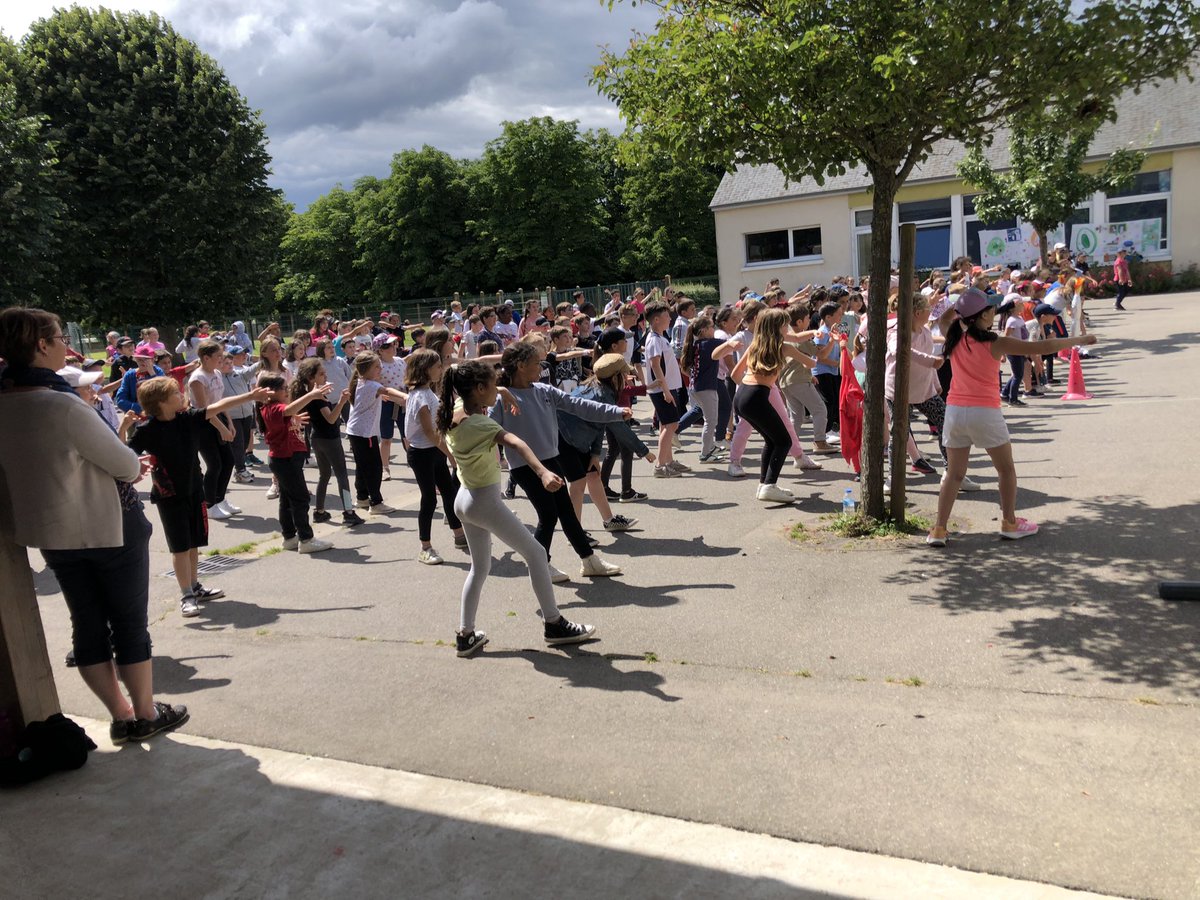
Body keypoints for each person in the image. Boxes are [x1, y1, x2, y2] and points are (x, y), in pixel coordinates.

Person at [0, 308, 188, 744]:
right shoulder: (61, 403)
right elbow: (125, 465)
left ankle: (120, 715)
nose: (66, 348)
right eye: (60, 339)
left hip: (52, 533)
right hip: (108, 527)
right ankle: (144, 714)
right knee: (128, 624)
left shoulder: (7, 401)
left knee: (86, 625)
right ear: (41, 345)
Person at [438, 360, 598, 657]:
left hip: (464, 500)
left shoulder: (455, 411)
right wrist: (543, 471)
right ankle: (554, 624)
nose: (498, 390)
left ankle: (465, 635)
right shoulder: (482, 425)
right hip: (484, 502)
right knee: (536, 554)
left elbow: (477, 385)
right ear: (479, 389)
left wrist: (501, 391)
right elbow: (517, 443)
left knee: (479, 568)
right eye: (493, 385)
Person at [926, 289, 1098, 547]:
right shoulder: (996, 342)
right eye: (990, 308)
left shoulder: (954, 337)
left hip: (955, 413)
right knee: (1006, 470)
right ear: (984, 315)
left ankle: (939, 529)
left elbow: (944, 317)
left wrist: (960, 303)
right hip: (985, 413)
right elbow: (1042, 347)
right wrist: (1080, 339)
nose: (995, 311)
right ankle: (1009, 523)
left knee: (954, 474)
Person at [129, 376, 270, 616]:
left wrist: (250, 396)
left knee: (193, 543)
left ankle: (195, 587)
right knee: (180, 547)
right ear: (161, 402)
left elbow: (218, 406)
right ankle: (186, 594)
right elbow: (125, 455)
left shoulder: (188, 418)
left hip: (195, 490)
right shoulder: (146, 430)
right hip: (169, 496)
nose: (181, 395)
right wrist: (124, 429)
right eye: (175, 393)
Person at [490, 342, 625, 582]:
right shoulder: (502, 398)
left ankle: (589, 560)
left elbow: (579, 405)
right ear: (520, 366)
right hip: (525, 467)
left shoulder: (544, 390)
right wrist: (497, 390)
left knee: (566, 513)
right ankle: (540, 565)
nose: (541, 367)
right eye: (536, 363)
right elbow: (486, 428)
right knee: (549, 514)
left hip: (551, 461)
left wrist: (614, 412)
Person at [728, 308, 817, 502]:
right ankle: (769, 486)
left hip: (742, 395)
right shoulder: (784, 347)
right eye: (785, 325)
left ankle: (765, 485)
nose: (787, 328)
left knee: (772, 440)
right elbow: (811, 364)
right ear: (778, 328)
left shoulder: (755, 345)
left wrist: (752, 387)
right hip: (756, 396)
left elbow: (735, 374)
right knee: (784, 441)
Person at [557, 353, 647, 533]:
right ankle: (575, 532)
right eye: (624, 374)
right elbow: (619, 428)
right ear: (615, 378)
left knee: (593, 476)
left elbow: (599, 424)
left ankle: (609, 520)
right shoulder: (602, 394)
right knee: (578, 483)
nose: (627, 377)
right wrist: (644, 451)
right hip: (564, 438)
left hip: (578, 439)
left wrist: (595, 454)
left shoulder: (596, 387)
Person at [403, 349, 468, 564]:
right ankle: (425, 547)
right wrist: (450, 455)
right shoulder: (420, 397)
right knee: (429, 499)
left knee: (449, 493)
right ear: (425, 369)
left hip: (434, 451)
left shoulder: (426, 392)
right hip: (422, 454)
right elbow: (430, 432)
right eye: (438, 366)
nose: (441, 369)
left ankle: (459, 535)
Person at [257, 373, 334, 554]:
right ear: (271, 392)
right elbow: (287, 410)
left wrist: (294, 419)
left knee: (287, 499)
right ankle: (306, 539)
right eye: (284, 388)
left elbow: (288, 413)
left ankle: (290, 537)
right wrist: (312, 395)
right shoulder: (272, 408)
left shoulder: (277, 408)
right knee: (301, 499)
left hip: (286, 459)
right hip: (285, 460)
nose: (287, 391)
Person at [290, 358, 362, 527]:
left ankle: (319, 511)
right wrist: (342, 401)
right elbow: (331, 419)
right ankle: (348, 512)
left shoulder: (308, 395)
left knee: (324, 475)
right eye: (321, 374)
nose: (325, 376)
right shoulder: (318, 398)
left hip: (316, 438)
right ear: (311, 378)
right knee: (342, 475)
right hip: (330, 439)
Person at [345, 351, 409, 515]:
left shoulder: (361, 382)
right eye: (377, 367)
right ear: (366, 369)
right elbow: (388, 390)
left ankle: (362, 497)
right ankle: (376, 502)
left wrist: (381, 397)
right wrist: (406, 396)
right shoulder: (372, 385)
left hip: (357, 431)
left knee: (362, 466)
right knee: (374, 467)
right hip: (365, 433)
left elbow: (380, 394)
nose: (380, 369)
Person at [188, 339, 240, 520]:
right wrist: (222, 429)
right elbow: (205, 410)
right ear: (206, 357)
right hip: (204, 425)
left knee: (229, 461)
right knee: (215, 464)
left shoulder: (217, 373)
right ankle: (209, 505)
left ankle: (220, 499)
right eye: (218, 356)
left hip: (220, 420)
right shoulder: (197, 379)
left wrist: (229, 423)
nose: (221, 359)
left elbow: (220, 401)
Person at [643, 301, 686, 477]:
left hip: (667, 388)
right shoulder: (654, 339)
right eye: (666, 316)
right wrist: (666, 391)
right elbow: (655, 365)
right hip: (663, 390)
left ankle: (668, 461)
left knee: (666, 425)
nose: (670, 318)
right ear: (656, 319)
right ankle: (660, 466)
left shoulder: (660, 338)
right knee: (672, 424)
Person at [372, 333, 407, 481]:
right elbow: (375, 388)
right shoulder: (377, 366)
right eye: (389, 345)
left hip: (403, 402)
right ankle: (384, 468)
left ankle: (416, 462)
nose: (394, 347)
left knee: (408, 436)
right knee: (386, 438)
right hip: (386, 404)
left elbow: (407, 379)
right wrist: (395, 398)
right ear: (380, 350)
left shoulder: (400, 361)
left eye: (394, 344)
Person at [220, 347, 257, 485]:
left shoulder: (239, 374)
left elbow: (252, 370)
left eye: (231, 362)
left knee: (245, 442)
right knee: (238, 443)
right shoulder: (218, 378)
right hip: (232, 417)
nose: (229, 365)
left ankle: (240, 467)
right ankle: (240, 470)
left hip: (247, 413)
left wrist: (264, 359)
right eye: (226, 363)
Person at [114, 347, 163, 413]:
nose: (142, 362)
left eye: (146, 359)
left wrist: (152, 373)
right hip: (134, 413)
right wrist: (139, 408)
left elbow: (163, 393)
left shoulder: (158, 371)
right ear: (135, 359)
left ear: (153, 359)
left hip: (156, 413)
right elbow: (120, 400)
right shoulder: (130, 375)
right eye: (139, 359)